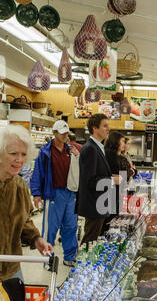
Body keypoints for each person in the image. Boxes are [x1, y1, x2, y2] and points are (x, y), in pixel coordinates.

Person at [0, 125, 53, 281]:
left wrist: (36, 239)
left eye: (23, 154)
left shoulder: (19, 185)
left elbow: (23, 220)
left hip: (12, 268)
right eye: (13, 153)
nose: (20, 160)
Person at [30, 120, 79, 267]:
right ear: (54, 133)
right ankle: (48, 259)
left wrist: (77, 156)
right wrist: (36, 194)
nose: (65, 136)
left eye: (66, 133)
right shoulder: (45, 152)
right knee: (50, 228)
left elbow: (79, 171)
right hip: (53, 194)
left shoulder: (71, 150)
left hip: (70, 193)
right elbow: (38, 173)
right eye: (62, 133)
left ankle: (69, 257)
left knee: (71, 226)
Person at [76, 114, 122, 245]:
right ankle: (83, 265)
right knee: (89, 242)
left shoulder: (97, 147)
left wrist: (110, 177)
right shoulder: (90, 149)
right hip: (94, 205)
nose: (108, 129)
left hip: (99, 205)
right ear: (94, 128)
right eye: (105, 126)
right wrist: (112, 181)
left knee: (93, 242)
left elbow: (96, 175)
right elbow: (90, 181)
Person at [104, 131, 128, 218]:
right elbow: (120, 174)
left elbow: (124, 174)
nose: (124, 144)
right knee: (109, 218)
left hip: (116, 191)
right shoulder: (110, 154)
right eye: (122, 141)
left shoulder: (119, 156)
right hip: (109, 192)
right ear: (115, 141)